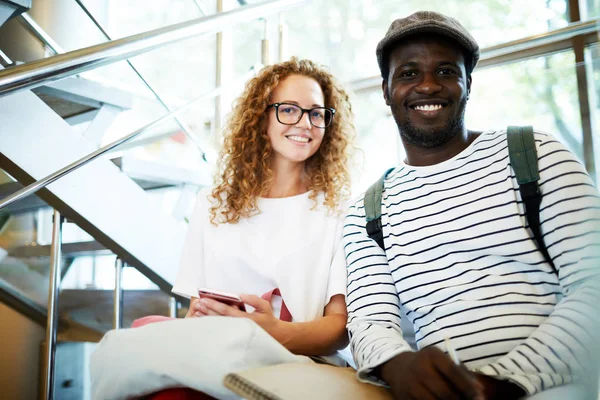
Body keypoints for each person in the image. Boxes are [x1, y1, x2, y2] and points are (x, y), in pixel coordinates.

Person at [343, 10, 600, 400]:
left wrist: (497, 383)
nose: (427, 86)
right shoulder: (367, 211)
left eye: (446, 71)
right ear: (385, 90)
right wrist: (401, 367)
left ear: (468, 84)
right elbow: (369, 321)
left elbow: (593, 284)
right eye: (408, 73)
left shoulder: (535, 154)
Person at [173, 57, 354, 357]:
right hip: (219, 357)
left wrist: (275, 334)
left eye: (316, 114)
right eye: (288, 110)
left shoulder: (338, 211)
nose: (305, 123)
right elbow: (197, 306)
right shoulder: (212, 204)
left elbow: (339, 328)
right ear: (261, 117)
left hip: (298, 366)